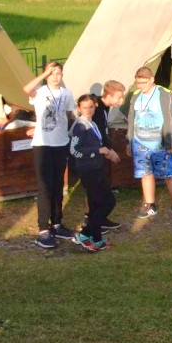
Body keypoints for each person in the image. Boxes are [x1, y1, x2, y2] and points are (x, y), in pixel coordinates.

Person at [24, 61, 76, 249]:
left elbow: (69, 115)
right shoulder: (40, 92)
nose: (55, 76)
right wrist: (44, 74)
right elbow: (26, 88)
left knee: (57, 186)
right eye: (51, 73)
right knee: (45, 186)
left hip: (61, 143)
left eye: (58, 73)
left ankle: (57, 223)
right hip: (43, 145)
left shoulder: (67, 93)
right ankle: (43, 229)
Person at [127, 66, 172, 221]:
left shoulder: (164, 95)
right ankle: (150, 205)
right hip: (140, 142)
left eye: (144, 82)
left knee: (169, 175)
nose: (141, 86)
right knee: (146, 174)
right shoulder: (135, 96)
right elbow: (131, 118)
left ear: (152, 80)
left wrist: (171, 139)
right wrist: (129, 139)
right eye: (138, 83)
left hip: (160, 143)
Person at [69, 94, 120, 251]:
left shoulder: (92, 123)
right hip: (88, 170)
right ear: (79, 108)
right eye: (85, 107)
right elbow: (74, 150)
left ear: (95, 106)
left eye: (91, 107)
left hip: (95, 167)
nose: (89, 110)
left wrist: (106, 152)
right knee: (108, 202)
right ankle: (84, 234)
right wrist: (98, 151)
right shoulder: (80, 126)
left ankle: (96, 238)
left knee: (95, 204)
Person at [82, 79, 125, 235]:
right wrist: (109, 151)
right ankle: (91, 220)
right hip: (92, 155)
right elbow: (97, 134)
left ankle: (100, 218)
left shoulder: (105, 109)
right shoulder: (98, 110)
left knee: (100, 188)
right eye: (119, 97)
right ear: (110, 95)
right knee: (95, 190)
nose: (121, 101)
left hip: (100, 153)